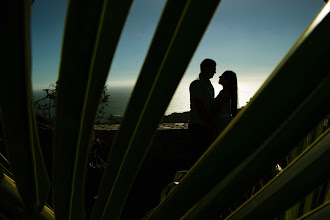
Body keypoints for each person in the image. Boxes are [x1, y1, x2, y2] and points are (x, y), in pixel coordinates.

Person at [188, 58, 216, 160]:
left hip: (205, 125)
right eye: (213, 69)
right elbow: (199, 106)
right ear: (205, 69)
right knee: (199, 156)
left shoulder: (209, 85)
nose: (215, 72)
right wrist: (208, 124)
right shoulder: (197, 84)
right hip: (198, 126)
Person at [212, 70, 238, 137]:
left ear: (228, 80)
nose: (219, 77)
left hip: (222, 123)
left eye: (222, 76)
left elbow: (216, 108)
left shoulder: (225, 93)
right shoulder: (225, 92)